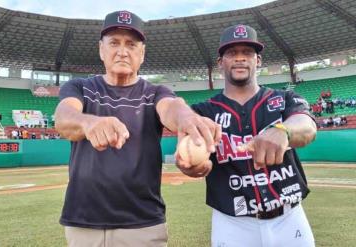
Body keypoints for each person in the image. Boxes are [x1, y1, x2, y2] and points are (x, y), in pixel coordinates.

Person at [54, 10, 220, 247]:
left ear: (141, 54)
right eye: (114, 43)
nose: (122, 51)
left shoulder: (154, 93)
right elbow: (63, 118)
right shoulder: (81, 87)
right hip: (83, 224)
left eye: (131, 44)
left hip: (142, 225)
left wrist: (185, 117)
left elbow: (172, 108)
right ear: (101, 50)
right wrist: (89, 122)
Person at [177, 24, 317, 247]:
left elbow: (307, 127)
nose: (240, 58)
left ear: (258, 60)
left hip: (289, 219)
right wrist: (189, 165)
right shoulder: (202, 112)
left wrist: (283, 131)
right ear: (220, 63)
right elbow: (186, 153)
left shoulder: (283, 99)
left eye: (247, 53)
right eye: (232, 53)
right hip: (232, 223)